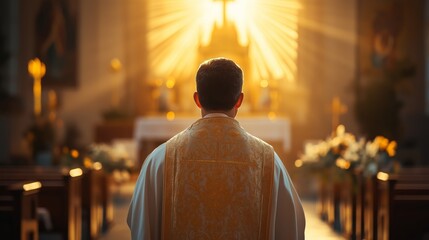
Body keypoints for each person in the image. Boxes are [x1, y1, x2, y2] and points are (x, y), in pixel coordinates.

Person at [127, 58, 305, 240]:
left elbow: (140, 225)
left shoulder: (161, 159)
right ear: (240, 100)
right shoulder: (267, 160)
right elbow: (292, 226)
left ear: (197, 99)